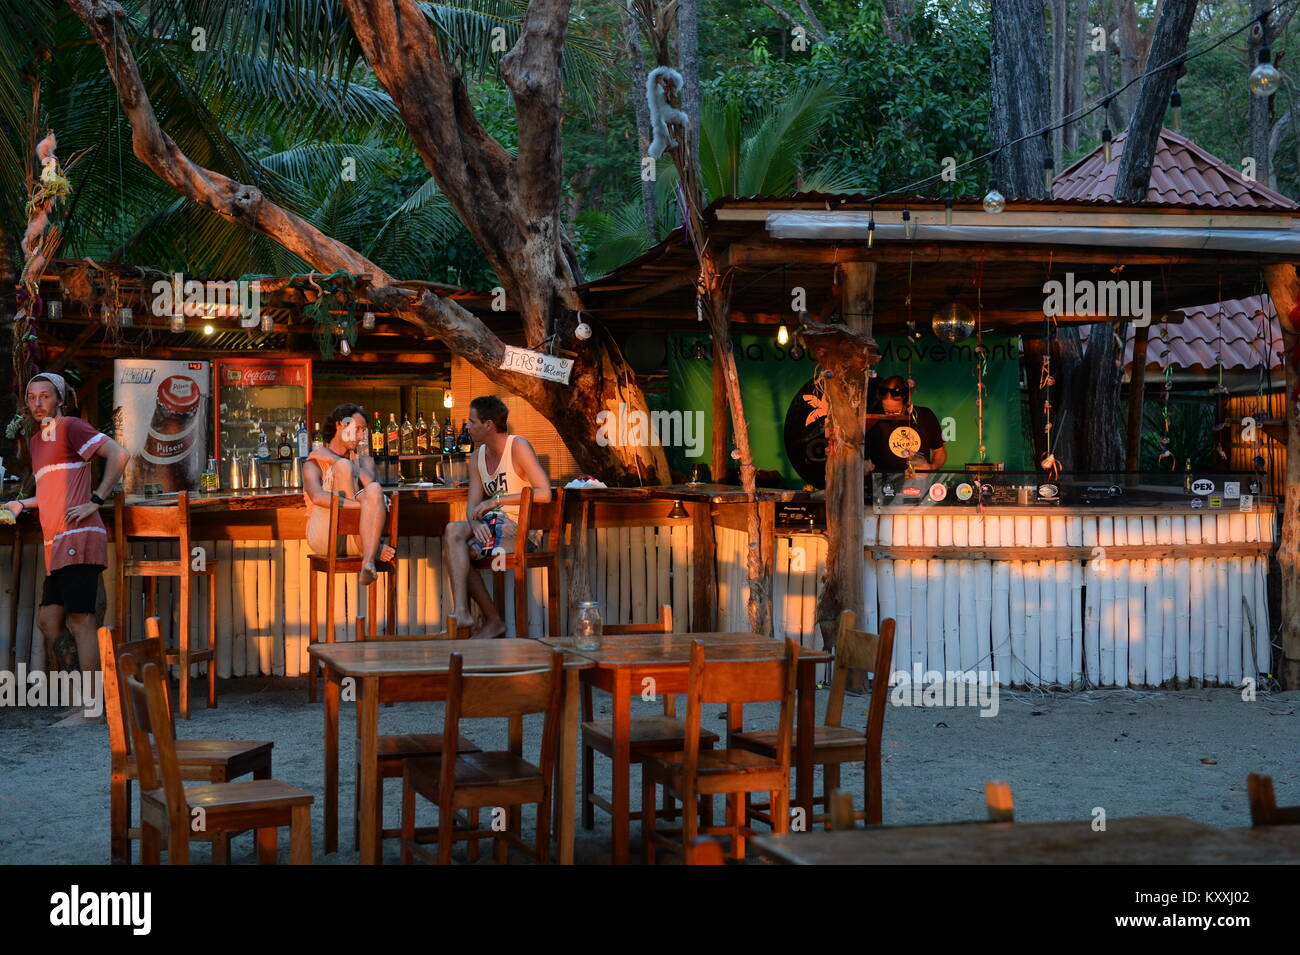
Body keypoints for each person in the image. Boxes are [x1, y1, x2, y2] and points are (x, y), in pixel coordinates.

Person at [4, 373, 128, 676]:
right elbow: (50, 494)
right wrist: (21, 504)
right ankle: (80, 699)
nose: (38, 403)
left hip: (79, 538)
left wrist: (95, 499)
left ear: (59, 398)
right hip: (56, 543)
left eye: (45, 396)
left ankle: (91, 706)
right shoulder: (36, 442)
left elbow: (119, 454)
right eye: (32, 397)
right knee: (48, 622)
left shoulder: (71, 427)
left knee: (80, 620)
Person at [443, 395, 549, 639]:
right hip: (492, 526)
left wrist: (497, 500)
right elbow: (472, 507)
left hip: (521, 529)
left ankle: (490, 620)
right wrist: (474, 522)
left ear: (488, 425)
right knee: (453, 532)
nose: (467, 427)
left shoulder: (518, 446)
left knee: (454, 551)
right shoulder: (478, 456)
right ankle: (462, 611)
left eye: (471, 422)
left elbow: (544, 493)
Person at [302, 404, 394, 584]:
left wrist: (332, 458)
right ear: (340, 425)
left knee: (374, 489)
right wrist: (364, 507)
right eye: (357, 430)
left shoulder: (365, 460)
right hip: (325, 536)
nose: (361, 437)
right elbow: (317, 497)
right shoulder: (314, 461)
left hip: (357, 538)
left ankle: (368, 561)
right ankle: (372, 549)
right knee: (343, 468)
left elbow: (370, 485)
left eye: (363, 431)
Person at [864, 375, 947, 475]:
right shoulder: (873, 419)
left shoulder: (925, 415)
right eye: (887, 411)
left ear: (907, 402)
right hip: (883, 484)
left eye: (896, 411)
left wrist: (931, 467)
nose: (891, 415)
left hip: (918, 484)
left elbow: (939, 451)